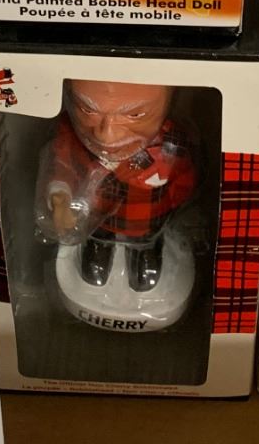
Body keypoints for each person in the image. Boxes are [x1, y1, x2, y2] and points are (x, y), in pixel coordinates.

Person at [36, 80, 195, 296]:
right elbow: (62, 166)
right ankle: (98, 249)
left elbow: (184, 179)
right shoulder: (72, 136)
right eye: (88, 110)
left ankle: (144, 254)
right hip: (99, 219)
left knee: (145, 249)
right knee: (99, 244)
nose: (106, 135)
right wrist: (61, 198)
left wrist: (179, 207)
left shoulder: (171, 144)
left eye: (135, 114)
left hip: (146, 221)